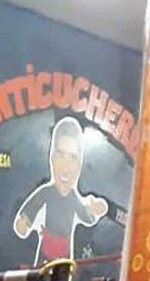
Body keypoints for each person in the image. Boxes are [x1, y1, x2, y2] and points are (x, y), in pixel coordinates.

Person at [13, 116, 108, 271]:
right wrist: (25, 221)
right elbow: (33, 206)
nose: (66, 166)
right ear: (52, 158)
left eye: (72, 158)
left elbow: (85, 215)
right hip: (45, 250)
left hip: (64, 255)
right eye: (61, 155)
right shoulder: (47, 192)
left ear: (79, 165)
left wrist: (94, 210)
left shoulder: (73, 198)